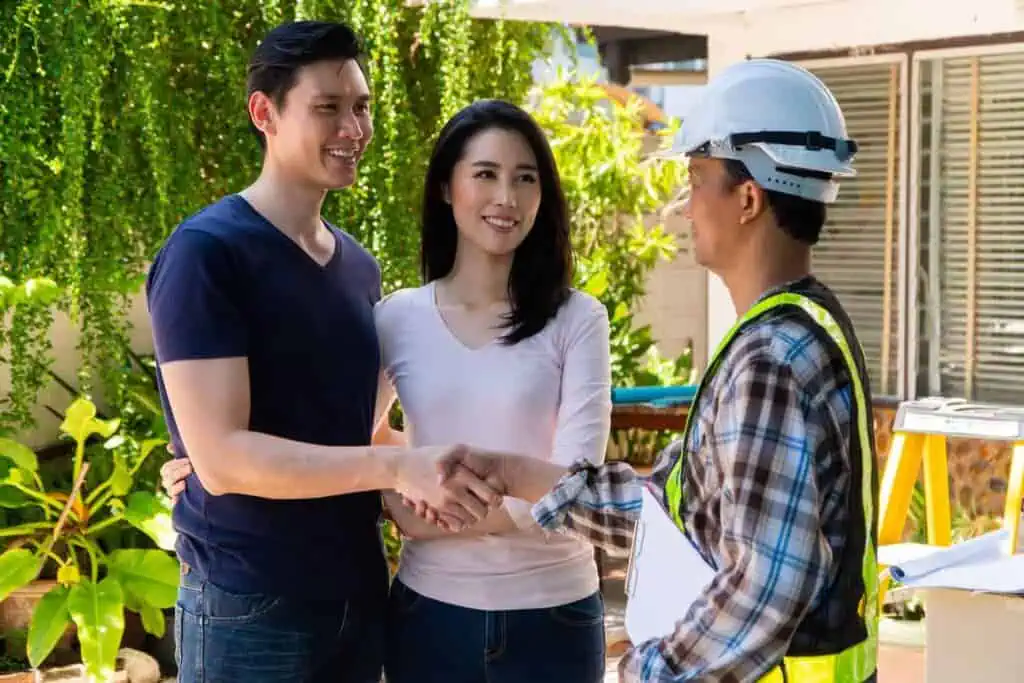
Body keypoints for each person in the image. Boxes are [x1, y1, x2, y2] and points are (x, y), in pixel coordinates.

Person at [431, 58, 881, 683]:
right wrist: (519, 474)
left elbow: (765, 585)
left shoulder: (769, 361)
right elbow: (685, 512)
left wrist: (646, 672)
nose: (682, 204)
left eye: (697, 179)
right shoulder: (801, 326)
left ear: (747, 198)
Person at [163, 98, 613, 683]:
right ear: (447, 189)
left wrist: (422, 509)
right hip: (431, 615)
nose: (507, 197)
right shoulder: (398, 317)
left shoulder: (578, 319)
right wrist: (207, 462)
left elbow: (578, 486)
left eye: (526, 179)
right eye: (486, 175)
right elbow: (353, 436)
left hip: (555, 615)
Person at [146, 20, 502, 683]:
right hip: (251, 603)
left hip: (358, 595)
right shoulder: (206, 254)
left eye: (361, 106)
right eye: (328, 108)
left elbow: (358, 427)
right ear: (265, 113)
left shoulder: (358, 268)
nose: (354, 128)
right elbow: (221, 459)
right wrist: (397, 470)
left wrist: (446, 471)